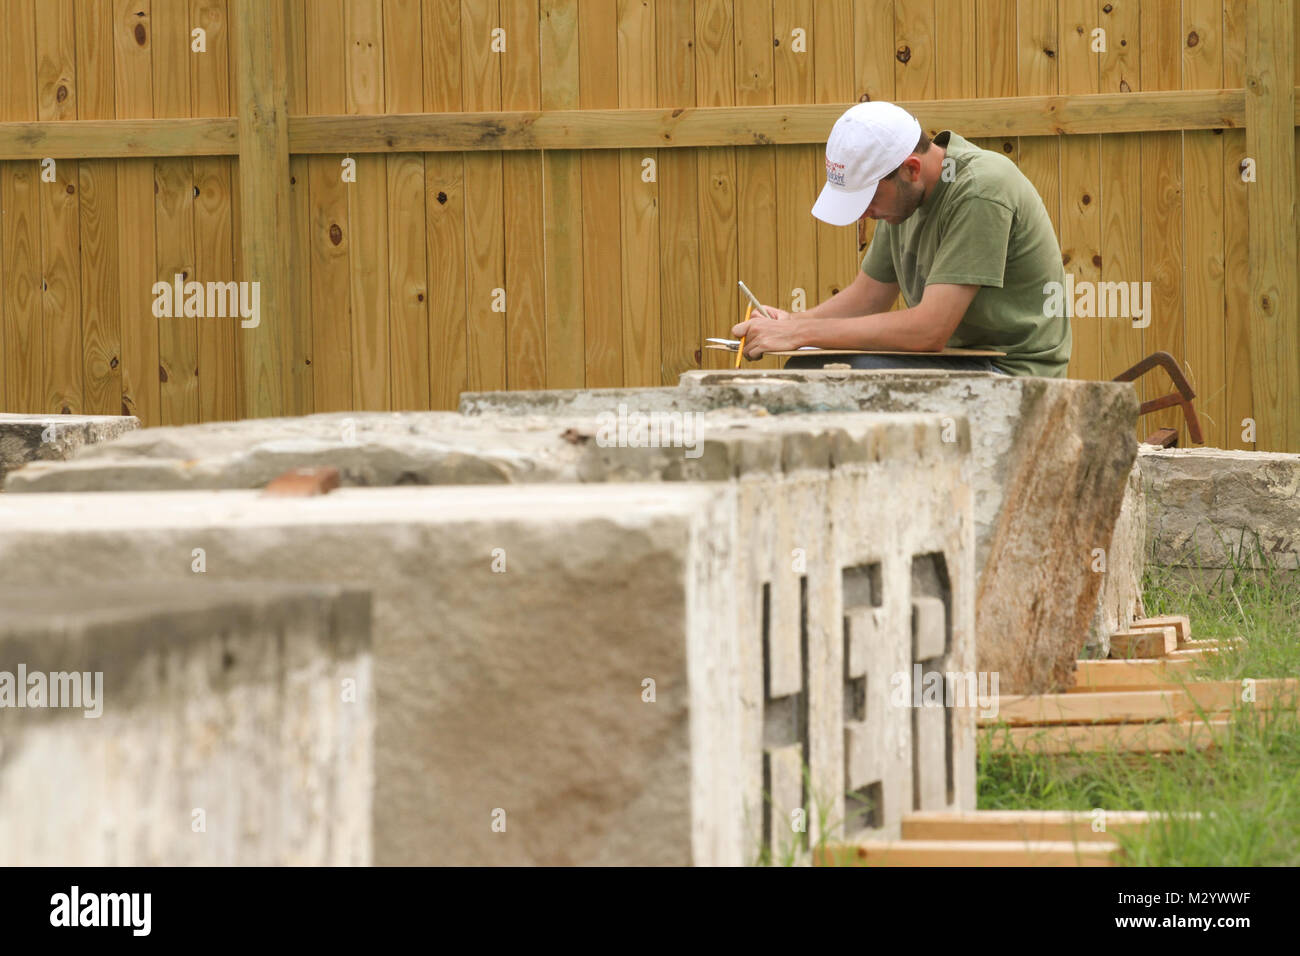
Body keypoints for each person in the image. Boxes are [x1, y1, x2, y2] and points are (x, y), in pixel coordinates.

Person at [731, 101, 1070, 377]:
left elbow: (929, 331)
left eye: (867, 199)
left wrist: (798, 335)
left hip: (1012, 374)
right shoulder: (903, 200)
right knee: (812, 368)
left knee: (837, 375)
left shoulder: (981, 191)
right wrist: (794, 321)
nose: (864, 215)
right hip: (959, 363)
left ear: (911, 169)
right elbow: (868, 298)